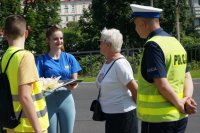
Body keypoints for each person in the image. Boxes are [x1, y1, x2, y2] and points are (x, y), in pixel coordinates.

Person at [130, 4, 197, 133]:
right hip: (180, 117)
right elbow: (187, 76)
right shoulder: (175, 42)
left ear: (143, 23)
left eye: (135, 25)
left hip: (159, 120)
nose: (135, 29)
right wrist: (187, 99)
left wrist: (180, 105)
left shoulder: (153, 46)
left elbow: (162, 84)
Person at [2, 15, 49, 133]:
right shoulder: (25, 56)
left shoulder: (5, 56)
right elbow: (24, 96)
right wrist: (38, 129)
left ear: (4, 33)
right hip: (29, 126)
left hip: (13, 124)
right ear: (26, 33)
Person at [35, 25, 82, 133]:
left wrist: (73, 84)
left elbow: (75, 81)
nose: (59, 41)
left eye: (61, 38)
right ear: (48, 40)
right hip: (48, 100)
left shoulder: (69, 58)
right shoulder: (41, 60)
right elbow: (37, 82)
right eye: (55, 39)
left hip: (66, 99)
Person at [96, 28, 138, 133]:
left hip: (124, 117)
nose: (99, 45)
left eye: (100, 42)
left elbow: (135, 89)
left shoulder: (120, 64)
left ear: (108, 45)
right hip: (111, 116)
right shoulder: (108, 62)